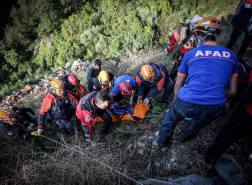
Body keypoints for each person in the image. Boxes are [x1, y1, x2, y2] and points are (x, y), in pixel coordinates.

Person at [158, 16, 238, 147]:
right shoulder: (231, 56)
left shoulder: (191, 54)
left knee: (170, 119)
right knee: (199, 122)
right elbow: (233, 91)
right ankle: (183, 138)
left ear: (200, 35)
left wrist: (176, 100)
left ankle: (162, 143)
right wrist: (218, 98)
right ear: (216, 35)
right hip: (215, 107)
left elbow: (178, 83)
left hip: (187, 101)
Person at [191, 68, 252, 169]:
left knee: (229, 130)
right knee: (236, 117)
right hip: (246, 105)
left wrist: (235, 99)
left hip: (250, 110)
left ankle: (209, 159)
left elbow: (246, 93)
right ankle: (236, 142)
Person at [167, 15, 202, 80]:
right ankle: (171, 80)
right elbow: (173, 39)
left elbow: (201, 44)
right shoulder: (182, 29)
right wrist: (169, 49)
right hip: (182, 53)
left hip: (192, 54)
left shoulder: (200, 33)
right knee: (176, 69)